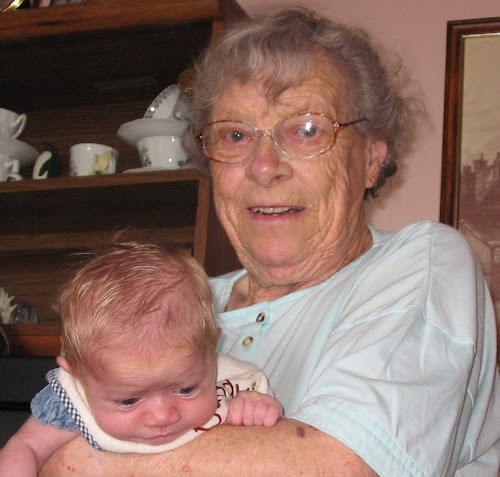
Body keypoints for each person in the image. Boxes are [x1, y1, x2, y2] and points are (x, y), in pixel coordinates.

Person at [40, 7, 499, 476]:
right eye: (236, 135)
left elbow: (342, 467)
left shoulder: (423, 264)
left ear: (371, 160)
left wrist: (79, 461)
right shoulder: (176, 306)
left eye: (307, 130)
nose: (263, 166)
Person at [0, 243, 282, 475]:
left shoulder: (234, 384)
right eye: (129, 401)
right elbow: (26, 448)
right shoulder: (74, 403)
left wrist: (258, 409)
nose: (162, 417)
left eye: (186, 390)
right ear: (79, 376)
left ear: (211, 350)